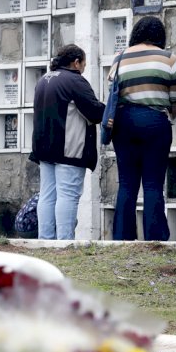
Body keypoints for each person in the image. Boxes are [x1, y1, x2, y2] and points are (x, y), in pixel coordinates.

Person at [109, 16, 176, 241]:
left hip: (124, 123)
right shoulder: (169, 59)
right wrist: (171, 111)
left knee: (127, 183)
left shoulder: (119, 58)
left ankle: (122, 237)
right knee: (153, 183)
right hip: (155, 123)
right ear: (159, 35)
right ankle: (155, 238)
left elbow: (112, 90)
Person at [30, 44, 105, 240]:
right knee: (68, 195)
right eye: (84, 64)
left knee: (47, 195)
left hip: (43, 149)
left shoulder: (43, 80)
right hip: (68, 148)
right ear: (76, 62)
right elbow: (95, 112)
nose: (84, 68)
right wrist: (112, 111)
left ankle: (45, 240)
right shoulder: (75, 81)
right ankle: (65, 241)